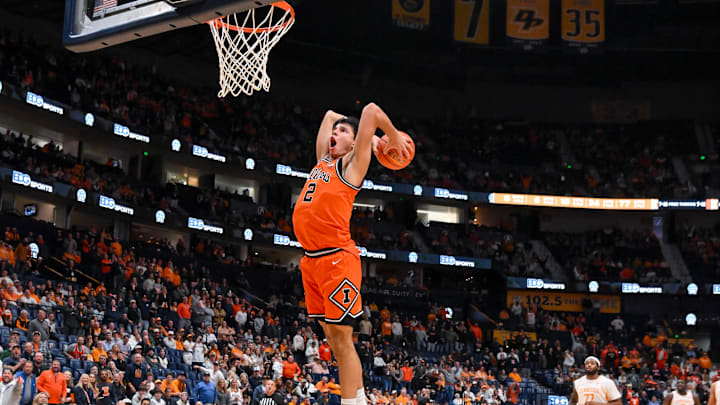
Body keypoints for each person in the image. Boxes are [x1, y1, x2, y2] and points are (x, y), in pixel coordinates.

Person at [292, 105, 410, 405]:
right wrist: (355, 132)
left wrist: (387, 138)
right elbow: (330, 114)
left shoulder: (351, 167)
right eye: (336, 131)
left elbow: (370, 110)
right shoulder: (323, 162)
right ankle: (359, 400)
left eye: (344, 132)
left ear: (355, 143)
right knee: (332, 339)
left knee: (342, 341)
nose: (335, 132)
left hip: (336, 259)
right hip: (311, 261)